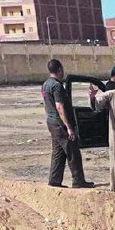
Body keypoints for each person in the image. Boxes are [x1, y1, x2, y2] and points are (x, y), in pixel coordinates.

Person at [42, 59, 93, 189]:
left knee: (58, 153)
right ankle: (78, 181)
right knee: (73, 152)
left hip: (52, 122)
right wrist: (69, 127)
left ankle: (54, 181)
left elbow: (47, 105)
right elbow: (60, 106)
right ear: (59, 69)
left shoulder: (46, 84)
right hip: (60, 124)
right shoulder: (57, 86)